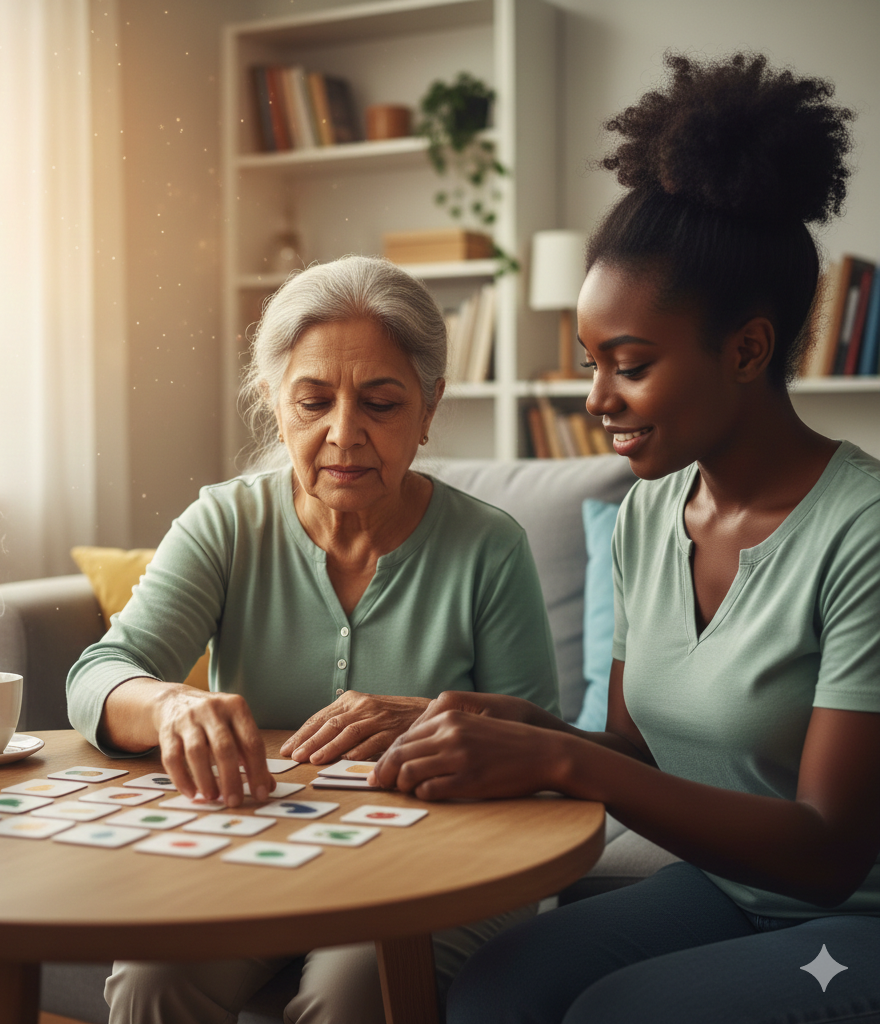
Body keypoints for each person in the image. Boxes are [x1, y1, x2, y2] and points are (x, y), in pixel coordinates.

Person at [370, 53, 880, 1023]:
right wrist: (518, 733)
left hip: (850, 919)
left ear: (746, 349)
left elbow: (827, 849)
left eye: (629, 364)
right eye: (588, 362)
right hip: (726, 888)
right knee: (492, 990)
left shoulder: (862, 532)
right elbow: (632, 755)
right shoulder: (649, 513)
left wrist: (566, 761)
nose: (595, 397)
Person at [65, 255, 561, 1024]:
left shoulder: (489, 547)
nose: (344, 435)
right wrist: (169, 706)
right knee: (153, 976)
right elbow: (100, 673)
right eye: (313, 401)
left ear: (429, 408)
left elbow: (539, 754)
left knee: (354, 988)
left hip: (441, 858)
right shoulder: (226, 522)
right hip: (260, 843)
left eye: (381, 403)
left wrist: (436, 723)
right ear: (273, 403)